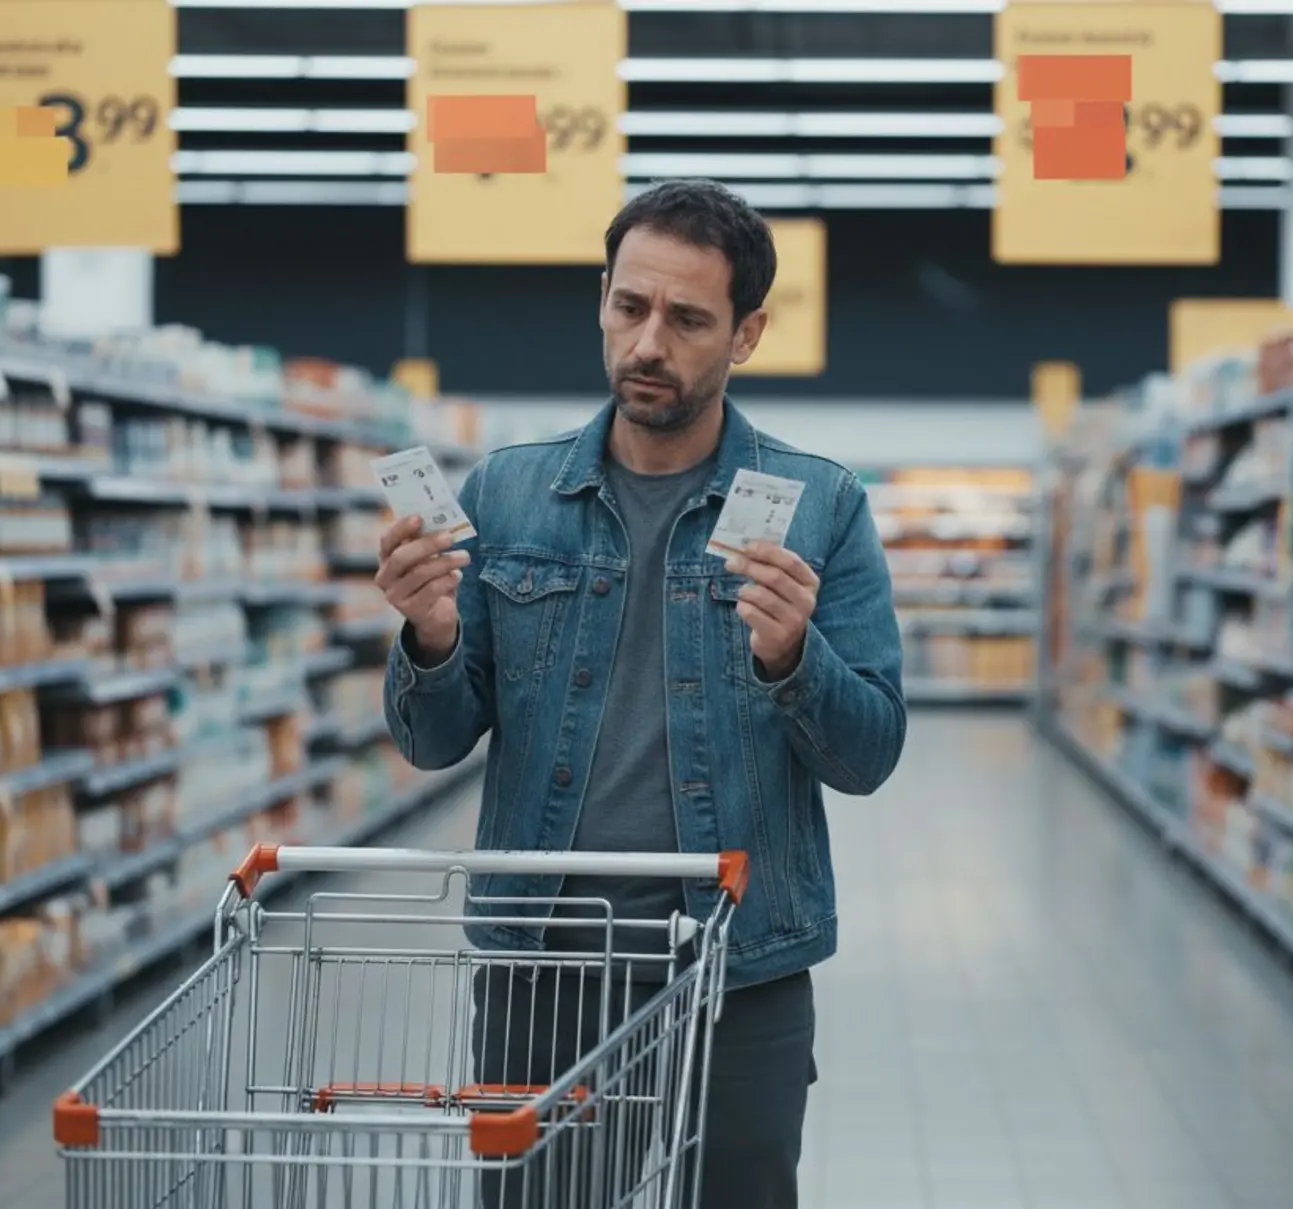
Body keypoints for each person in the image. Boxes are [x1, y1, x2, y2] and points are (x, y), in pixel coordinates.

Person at [378, 178, 907, 1207]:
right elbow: (432, 743)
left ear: (747, 334)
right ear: (603, 299)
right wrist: (430, 634)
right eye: (630, 307)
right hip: (545, 964)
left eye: (687, 318)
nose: (648, 343)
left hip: (738, 967)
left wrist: (794, 655)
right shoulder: (505, 493)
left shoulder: (821, 505)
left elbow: (869, 753)